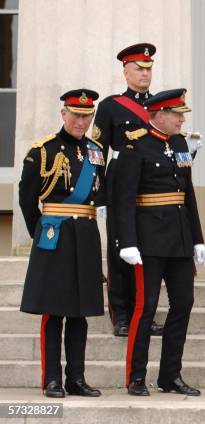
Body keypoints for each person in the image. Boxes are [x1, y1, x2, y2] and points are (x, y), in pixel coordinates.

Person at [113, 89, 205, 396]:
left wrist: (197, 239)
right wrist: (126, 241)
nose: (182, 119)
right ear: (158, 114)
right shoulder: (134, 144)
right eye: (177, 113)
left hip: (179, 238)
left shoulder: (180, 143)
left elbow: (187, 193)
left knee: (184, 303)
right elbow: (123, 198)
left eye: (182, 114)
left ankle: (170, 375)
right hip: (148, 239)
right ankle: (136, 376)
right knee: (146, 307)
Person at [19, 89, 105, 398]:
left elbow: (102, 193)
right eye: (76, 115)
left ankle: (76, 378)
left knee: (80, 313)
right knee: (53, 312)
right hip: (54, 237)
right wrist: (39, 231)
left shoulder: (97, 151)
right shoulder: (43, 150)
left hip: (85, 236)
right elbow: (27, 197)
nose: (81, 121)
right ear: (63, 114)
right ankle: (52, 379)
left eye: (87, 116)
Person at [93, 43, 162, 337]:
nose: (145, 73)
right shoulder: (110, 106)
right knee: (121, 249)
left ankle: (145, 312)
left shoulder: (161, 104)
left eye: (148, 68)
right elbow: (98, 152)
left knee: (149, 251)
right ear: (125, 71)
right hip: (120, 185)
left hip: (152, 186)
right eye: (138, 68)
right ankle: (121, 314)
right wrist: (100, 194)